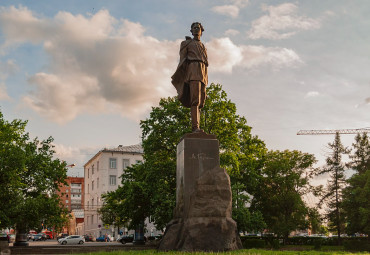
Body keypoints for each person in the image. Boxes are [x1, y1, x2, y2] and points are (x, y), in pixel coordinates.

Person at [172, 22, 208, 132]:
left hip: (203, 72)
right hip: (193, 70)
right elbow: (182, 60)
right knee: (195, 100)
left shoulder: (203, 46)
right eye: (194, 28)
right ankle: (195, 127)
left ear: (202, 31)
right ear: (191, 31)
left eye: (198, 28)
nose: (196, 29)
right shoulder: (186, 43)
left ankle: (198, 126)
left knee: (201, 102)